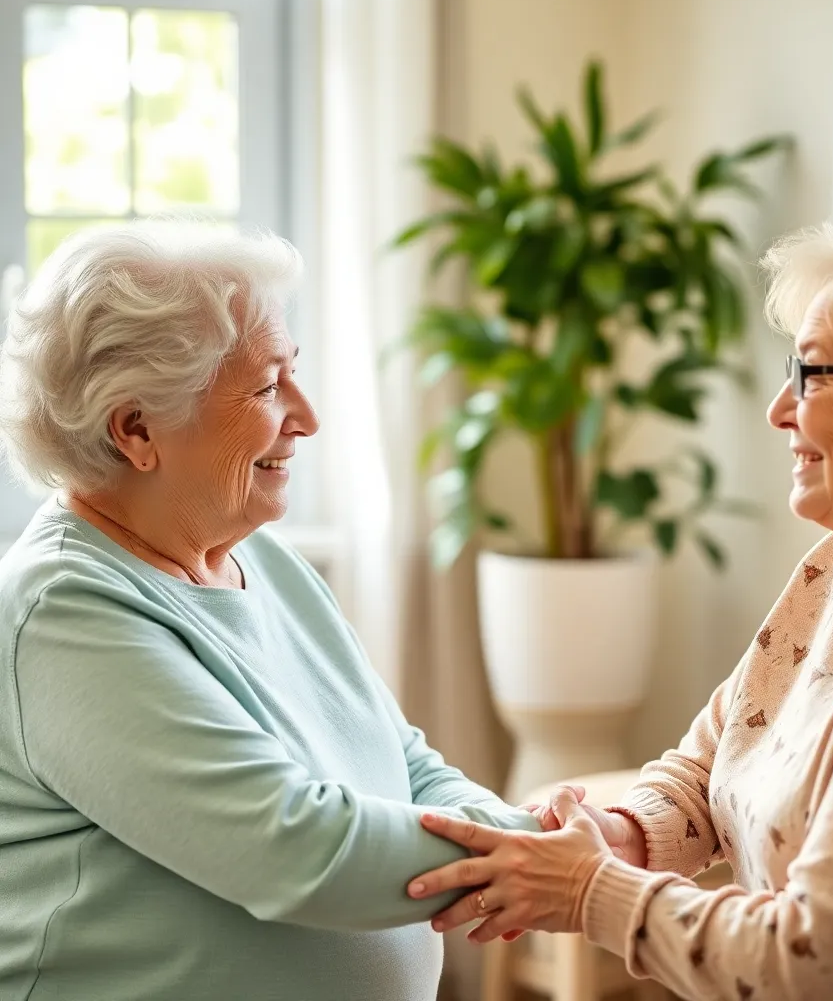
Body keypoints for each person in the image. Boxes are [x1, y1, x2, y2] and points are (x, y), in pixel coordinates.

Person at [407, 228, 833, 1001]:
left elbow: (816, 967)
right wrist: (623, 834)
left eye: (813, 373)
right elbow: (713, 762)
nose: (778, 410)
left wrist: (589, 892)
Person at [0, 222, 541, 1001]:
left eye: (295, 373)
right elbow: (295, 847)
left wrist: (522, 834)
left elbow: (404, 765)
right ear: (135, 429)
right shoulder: (62, 613)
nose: (307, 415)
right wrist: (536, 856)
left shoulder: (263, 562)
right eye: (265, 387)